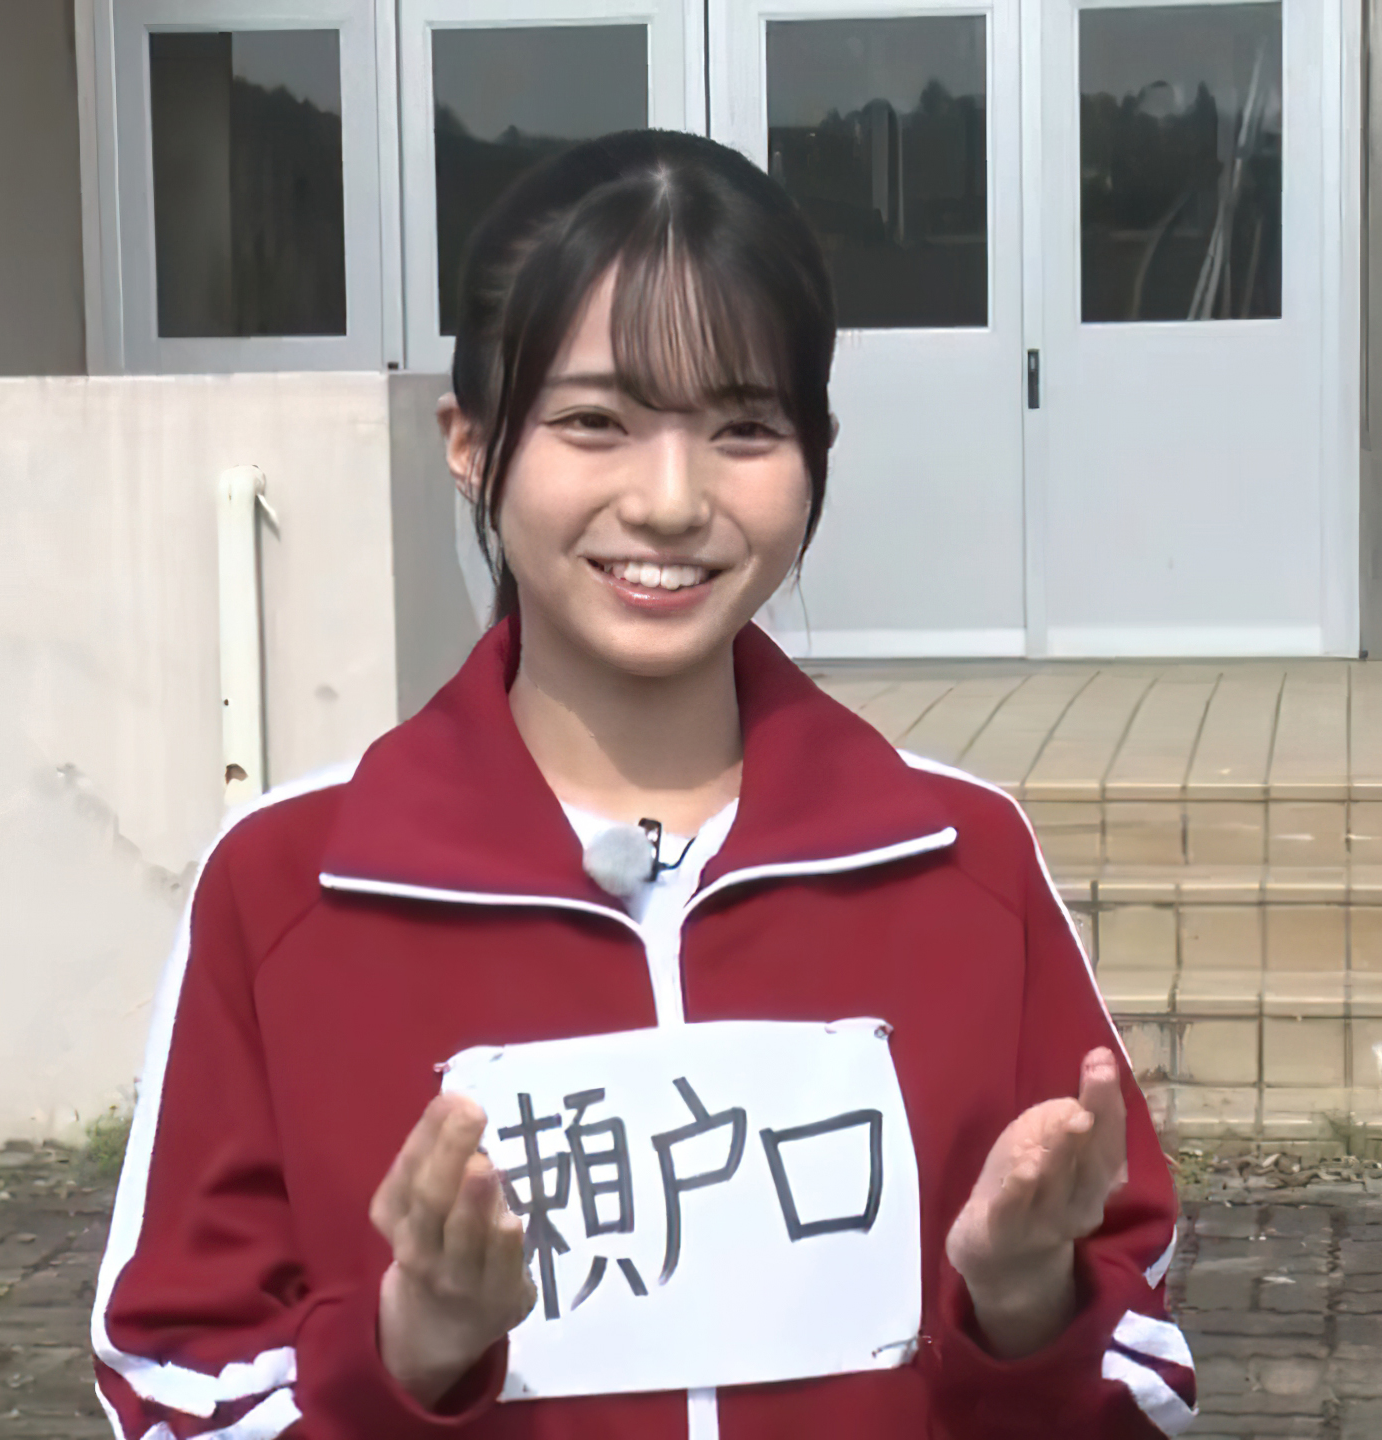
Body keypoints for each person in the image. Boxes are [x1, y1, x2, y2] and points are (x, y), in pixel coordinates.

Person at [92, 130, 1196, 1439]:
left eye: (744, 428)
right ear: (469, 441)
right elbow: (173, 1382)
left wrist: (1026, 1305)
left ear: (816, 453)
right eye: (594, 423)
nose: (671, 502)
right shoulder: (288, 889)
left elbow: (1146, 1362)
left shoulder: (965, 861)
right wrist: (408, 1349)